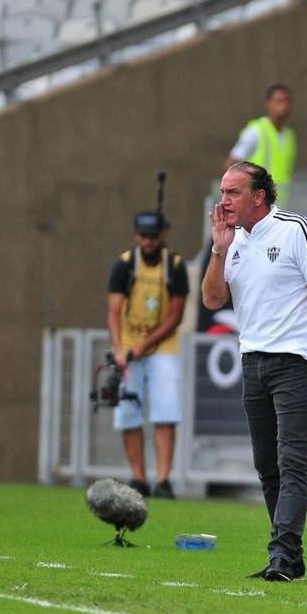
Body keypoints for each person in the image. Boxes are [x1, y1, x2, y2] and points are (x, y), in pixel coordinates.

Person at [201, 162, 307, 582]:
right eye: (222, 192)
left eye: (233, 192)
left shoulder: (297, 230)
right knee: (267, 464)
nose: (224, 201)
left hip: (295, 364)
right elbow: (212, 300)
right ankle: (290, 556)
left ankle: (281, 553)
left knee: (291, 459)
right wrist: (218, 250)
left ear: (259, 196)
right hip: (253, 362)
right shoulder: (231, 240)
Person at [105, 209, 188, 499]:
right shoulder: (124, 265)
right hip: (129, 347)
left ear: (163, 234)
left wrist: (147, 344)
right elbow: (113, 312)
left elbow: (176, 315)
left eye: (153, 235)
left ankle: (163, 480)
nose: (148, 241)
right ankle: (139, 478)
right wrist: (119, 350)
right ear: (136, 235)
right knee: (128, 411)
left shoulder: (174, 266)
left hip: (163, 347)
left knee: (166, 411)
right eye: (143, 235)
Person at [225, 84, 297, 207]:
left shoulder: (289, 136)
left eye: (287, 101)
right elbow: (230, 164)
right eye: (279, 101)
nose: (284, 105)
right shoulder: (256, 131)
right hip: (256, 206)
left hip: (279, 205)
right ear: (268, 104)